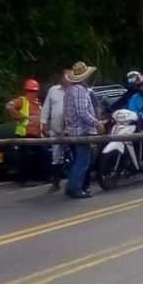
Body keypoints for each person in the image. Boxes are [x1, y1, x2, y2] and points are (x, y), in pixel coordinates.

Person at [63, 61, 101, 198]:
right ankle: (75, 188)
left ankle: (72, 186)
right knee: (82, 161)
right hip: (80, 130)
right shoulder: (79, 90)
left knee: (78, 160)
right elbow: (82, 112)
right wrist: (96, 123)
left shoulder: (70, 90)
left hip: (73, 130)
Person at [6, 78, 45, 187]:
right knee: (24, 157)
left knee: (40, 155)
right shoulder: (22, 101)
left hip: (36, 135)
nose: (32, 93)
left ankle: (39, 177)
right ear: (26, 91)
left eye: (34, 91)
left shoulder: (37, 104)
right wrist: (19, 116)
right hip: (24, 134)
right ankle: (24, 180)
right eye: (29, 91)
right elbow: (9, 106)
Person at [41, 70, 70, 192]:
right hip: (55, 128)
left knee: (73, 154)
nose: (66, 79)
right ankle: (55, 183)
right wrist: (44, 123)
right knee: (56, 156)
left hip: (70, 129)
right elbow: (46, 107)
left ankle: (72, 181)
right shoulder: (53, 90)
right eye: (65, 76)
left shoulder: (74, 91)